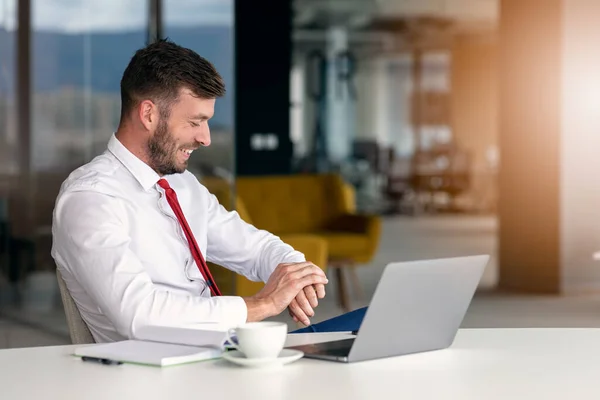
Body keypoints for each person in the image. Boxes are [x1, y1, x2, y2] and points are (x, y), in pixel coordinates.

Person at [51, 39, 329, 343]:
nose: (206, 138)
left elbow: (253, 247)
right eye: (195, 122)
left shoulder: (183, 185)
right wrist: (260, 305)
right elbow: (139, 315)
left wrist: (295, 270)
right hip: (150, 378)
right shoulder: (89, 199)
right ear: (149, 115)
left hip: (212, 359)